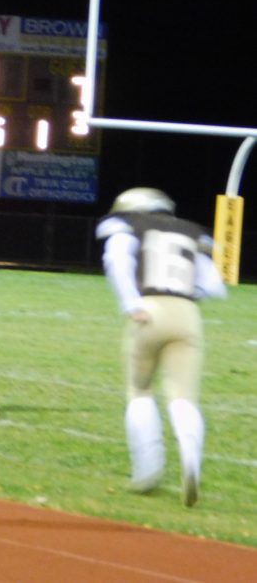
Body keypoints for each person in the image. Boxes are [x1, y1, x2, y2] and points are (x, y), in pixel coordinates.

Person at [95, 187, 227, 507]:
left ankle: (148, 470)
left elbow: (116, 261)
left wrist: (131, 303)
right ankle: (191, 460)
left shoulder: (127, 227)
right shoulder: (190, 232)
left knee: (139, 391)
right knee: (184, 396)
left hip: (148, 311)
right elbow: (213, 286)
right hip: (187, 314)